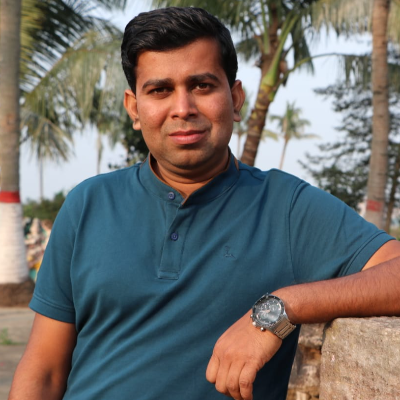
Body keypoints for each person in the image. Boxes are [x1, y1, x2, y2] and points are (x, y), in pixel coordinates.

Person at [8, 6, 400, 400]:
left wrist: (281, 308)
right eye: (160, 90)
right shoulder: (88, 205)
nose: (183, 108)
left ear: (235, 98)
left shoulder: (286, 208)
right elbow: (44, 370)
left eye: (202, 86)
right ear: (134, 108)